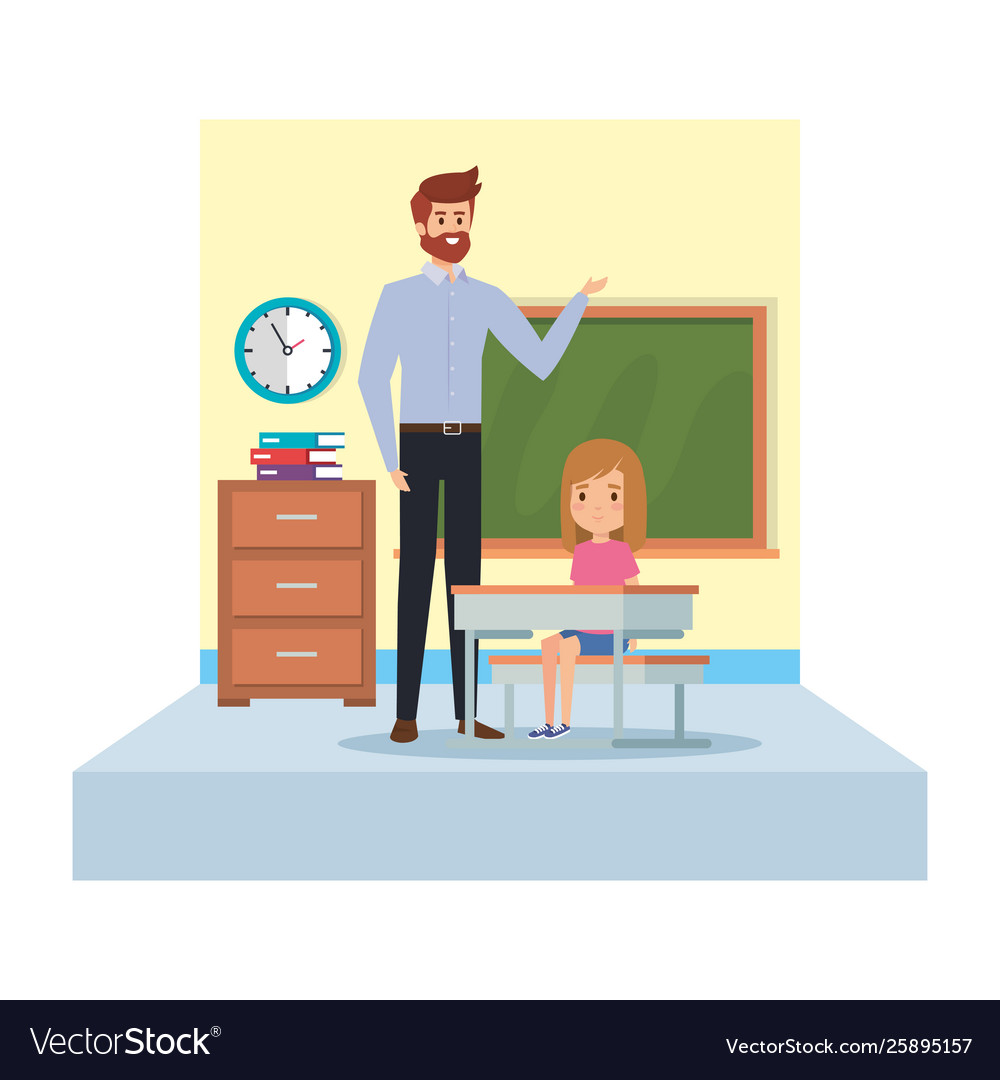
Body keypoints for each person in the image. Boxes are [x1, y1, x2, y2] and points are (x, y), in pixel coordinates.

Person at [358, 166, 607, 742]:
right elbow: (372, 377)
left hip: (466, 444)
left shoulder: (488, 299)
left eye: (461, 218)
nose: (452, 227)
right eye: (442, 218)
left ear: (471, 223)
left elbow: (541, 361)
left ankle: (468, 715)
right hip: (416, 448)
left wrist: (578, 301)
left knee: (465, 587)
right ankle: (405, 715)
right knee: (414, 581)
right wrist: (390, 458)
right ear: (422, 224)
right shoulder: (396, 296)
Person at [530, 439, 647, 739]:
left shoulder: (622, 551)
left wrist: (633, 631)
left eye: (611, 496)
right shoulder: (581, 551)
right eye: (582, 494)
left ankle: (565, 721)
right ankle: (546, 718)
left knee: (567, 647)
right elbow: (577, 595)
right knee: (548, 644)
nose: (597, 506)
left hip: (611, 634)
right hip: (583, 628)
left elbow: (634, 592)